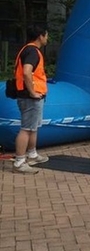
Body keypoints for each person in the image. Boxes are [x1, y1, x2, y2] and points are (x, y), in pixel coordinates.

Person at [11, 24, 50, 174]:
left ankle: (32, 154)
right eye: (46, 35)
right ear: (40, 36)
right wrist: (33, 92)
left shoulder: (27, 49)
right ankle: (20, 162)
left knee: (33, 127)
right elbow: (27, 72)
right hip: (30, 97)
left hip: (30, 96)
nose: (47, 38)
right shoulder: (33, 52)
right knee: (26, 129)